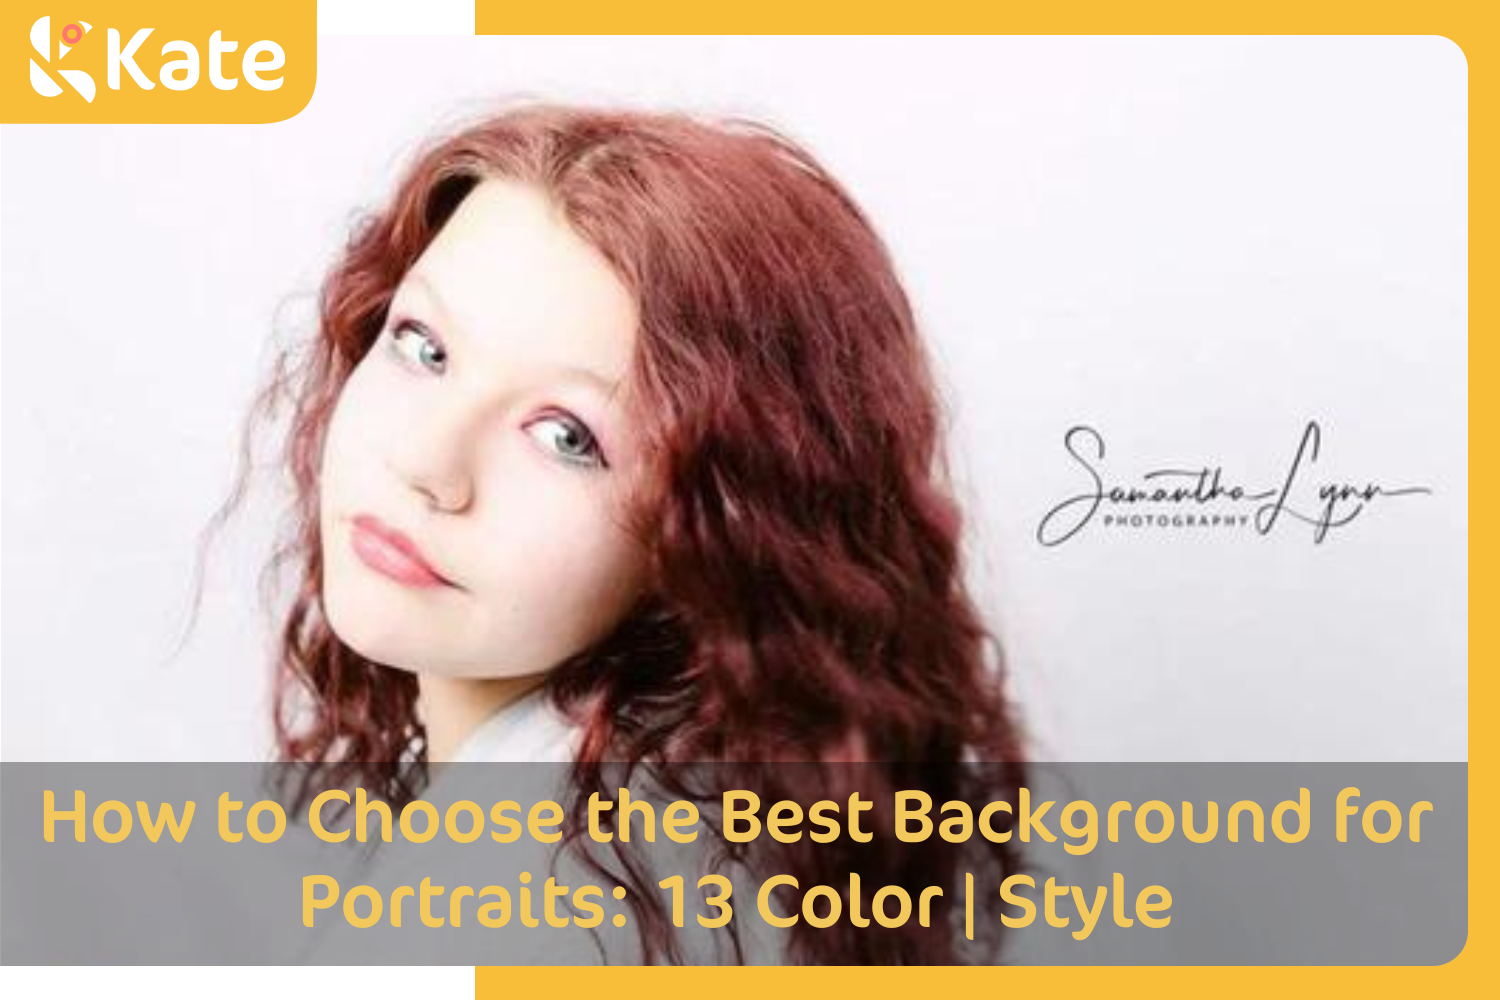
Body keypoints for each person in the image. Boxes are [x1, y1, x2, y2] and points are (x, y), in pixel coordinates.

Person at [211, 99, 1029, 964]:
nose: (427, 463)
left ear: (716, 529)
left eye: (567, 436)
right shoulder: (652, 832)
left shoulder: (548, 892)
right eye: (422, 346)